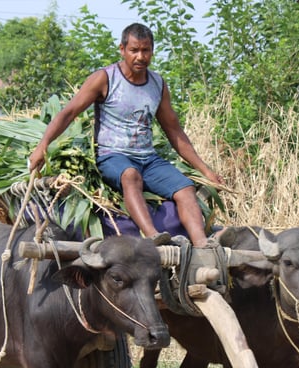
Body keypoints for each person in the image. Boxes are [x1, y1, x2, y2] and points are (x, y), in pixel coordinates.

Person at [29, 22, 224, 247]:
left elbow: (174, 131)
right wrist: (42, 146)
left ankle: (202, 245)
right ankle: (153, 237)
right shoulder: (106, 78)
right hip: (113, 157)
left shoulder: (157, 84)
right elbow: (69, 112)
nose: (140, 56)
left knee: (185, 188)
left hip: (148, 159)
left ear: (152, 51)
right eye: (134, 50)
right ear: (122, 49)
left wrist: (206, 171)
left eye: (145, 50)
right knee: (131, 176)